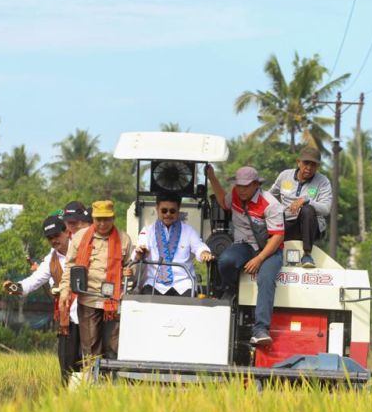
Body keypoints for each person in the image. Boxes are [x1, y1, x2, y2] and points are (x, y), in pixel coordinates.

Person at [205, 165, 285, 346]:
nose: (241, 190)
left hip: (270, 249)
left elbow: (278, 236)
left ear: (256, 184)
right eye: (238, 185)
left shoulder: (271, 204)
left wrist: (259, 259)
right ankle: (230, 289)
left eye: (246, 186)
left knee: (265, 278)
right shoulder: (234, 195)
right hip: (245, 245)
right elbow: (222, 200)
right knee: (225, 260)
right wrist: (211, 177)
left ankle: (261, 329)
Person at [2, 215, 81, 384]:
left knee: (91, 363)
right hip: (67, 319)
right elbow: (33, 281)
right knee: (67, 366)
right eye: (50, 238)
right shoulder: (50, 261)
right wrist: (15, 288)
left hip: (89, 315)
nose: (54, 240)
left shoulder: (83, 247)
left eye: (56, 236)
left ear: (67, 232)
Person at [59, 200, 133, 359]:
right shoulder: (80, 237)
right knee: (91, 348)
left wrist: (130, 272)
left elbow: (132, 268)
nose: (102, 223)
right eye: (98, 219)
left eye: (106, 219)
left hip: (114, 301)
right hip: (88, 299)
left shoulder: (124, 239)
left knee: (114, 346)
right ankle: (92, 382)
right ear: (92, 218)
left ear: (113, 218)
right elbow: (70, 267)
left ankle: (113, 382)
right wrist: (65, 291)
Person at [133, 192, 214, 297]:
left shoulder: (189, 231)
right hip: (154, 283)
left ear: (178, 209)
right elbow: (139, 250)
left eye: (172, 211)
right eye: (164, 210)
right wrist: (140, 253)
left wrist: (204, 253)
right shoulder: (147, 231)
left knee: (191, 300)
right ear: (157, 209)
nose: (168, 214)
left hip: (183, 283)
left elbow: (199, 247)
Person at [269, 146, 332, 268]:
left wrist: (307, 201)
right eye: (306, 163)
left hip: (310, 226)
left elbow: (326, 209)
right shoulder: (284, 176)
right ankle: (266, 252)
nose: (309, 168)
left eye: (313, 165)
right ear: (298, 162)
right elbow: (270, 196)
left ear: (317, 167)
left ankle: (307, 255)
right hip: (285, 224)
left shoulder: (323, 182)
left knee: (307, 209)